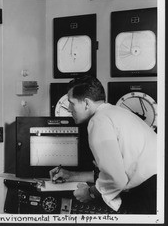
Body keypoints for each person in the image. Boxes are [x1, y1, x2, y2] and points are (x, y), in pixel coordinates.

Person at [49, 75, 157, 214]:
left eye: (72, 102)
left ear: (87, 103)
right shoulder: (115, 113)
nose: (69, 108)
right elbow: (117, 171)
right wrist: (71, 175)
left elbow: (117, 179)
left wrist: (90, 192)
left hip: (148, 194)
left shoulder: (99, 121)